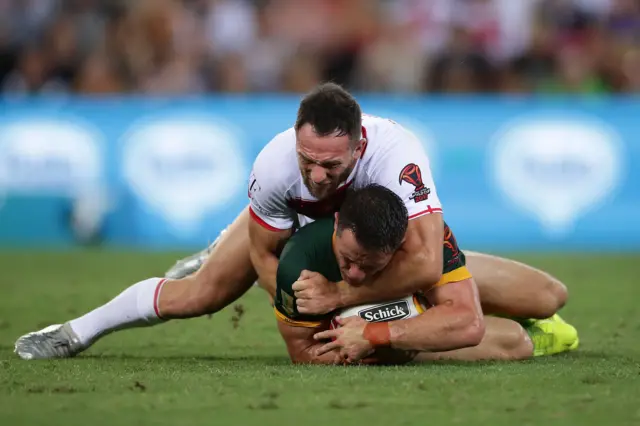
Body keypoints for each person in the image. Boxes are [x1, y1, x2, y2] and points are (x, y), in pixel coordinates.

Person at [14, 82, 572, 360]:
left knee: (549, 296)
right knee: (200, 294)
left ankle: (501, 327)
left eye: (330, 166)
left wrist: (346, 299)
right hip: (304, 246)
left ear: (358, 149)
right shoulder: (277, 166)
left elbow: (425, 258)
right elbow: (264, 257)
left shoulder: (398, 156)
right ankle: (74, 332)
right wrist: (305, 304)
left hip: (378, 248)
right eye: (307, 161)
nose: (317, 177)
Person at [274, 184, 577, 365]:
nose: (354, 273)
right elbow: (303, 353)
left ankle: (429, 307)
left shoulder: (425, 239)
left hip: (423, 292)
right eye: (348, 259)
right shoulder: (300, 260)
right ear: (337, 225)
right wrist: (375, 349)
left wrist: (375, 334)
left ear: (399, 245)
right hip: (358, 321)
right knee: (519, 341)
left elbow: (468, 322)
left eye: (369, 265)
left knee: (550, 296)